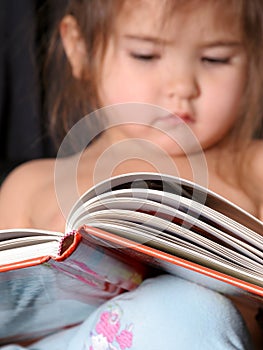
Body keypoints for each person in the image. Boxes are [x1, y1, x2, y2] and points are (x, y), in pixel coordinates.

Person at [0, 0, 262, 348]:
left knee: (191, 311)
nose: (182, 86)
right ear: (80, 49)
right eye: (145, 55)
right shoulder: (32, 183)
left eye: (215, 59)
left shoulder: (254, 168)